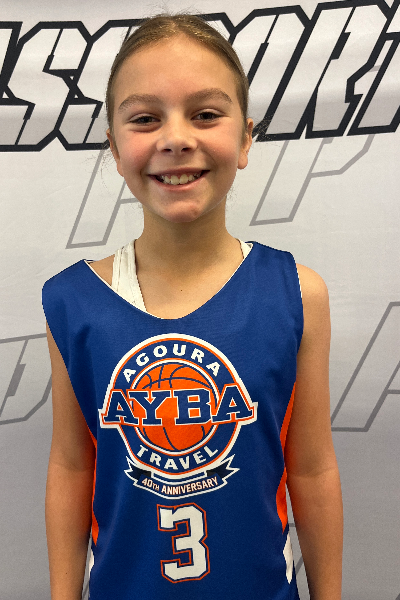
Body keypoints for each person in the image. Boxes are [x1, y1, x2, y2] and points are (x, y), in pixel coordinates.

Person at [43, 13, 343, 600]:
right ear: (113, 146)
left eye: (205, 114)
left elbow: (312, 468)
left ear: (246, 138)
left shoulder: (298, 293)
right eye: (145, 118)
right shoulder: (72, 302)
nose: (175, 138)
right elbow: (72, 467)